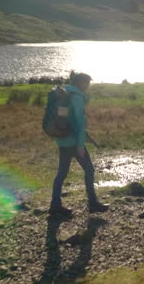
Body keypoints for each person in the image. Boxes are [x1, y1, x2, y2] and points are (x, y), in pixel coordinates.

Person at [49, 72, 109, 216]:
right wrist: (80, 145)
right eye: (87, 83)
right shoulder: (76, 97)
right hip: (73, 142)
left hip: (63, 140)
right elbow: (79, 123)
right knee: (89, 170)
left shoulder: (66, 93)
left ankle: (55, 205)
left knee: (62, 173)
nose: (88, 86)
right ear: (81, 83)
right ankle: (93, 203)